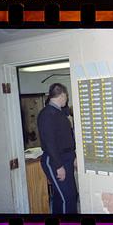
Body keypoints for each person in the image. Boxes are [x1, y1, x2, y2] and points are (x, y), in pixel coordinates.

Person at [37, 83, 78, 214]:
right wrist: (59, 166)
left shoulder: (59, 112)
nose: (67, 99)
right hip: (56, 160)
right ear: (62, 95)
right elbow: (50, 143)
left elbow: (65, 138)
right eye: (66, 96)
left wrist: (73, 156)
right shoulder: (47, 114)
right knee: (68, 197)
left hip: (67, 158)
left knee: (63, 197)